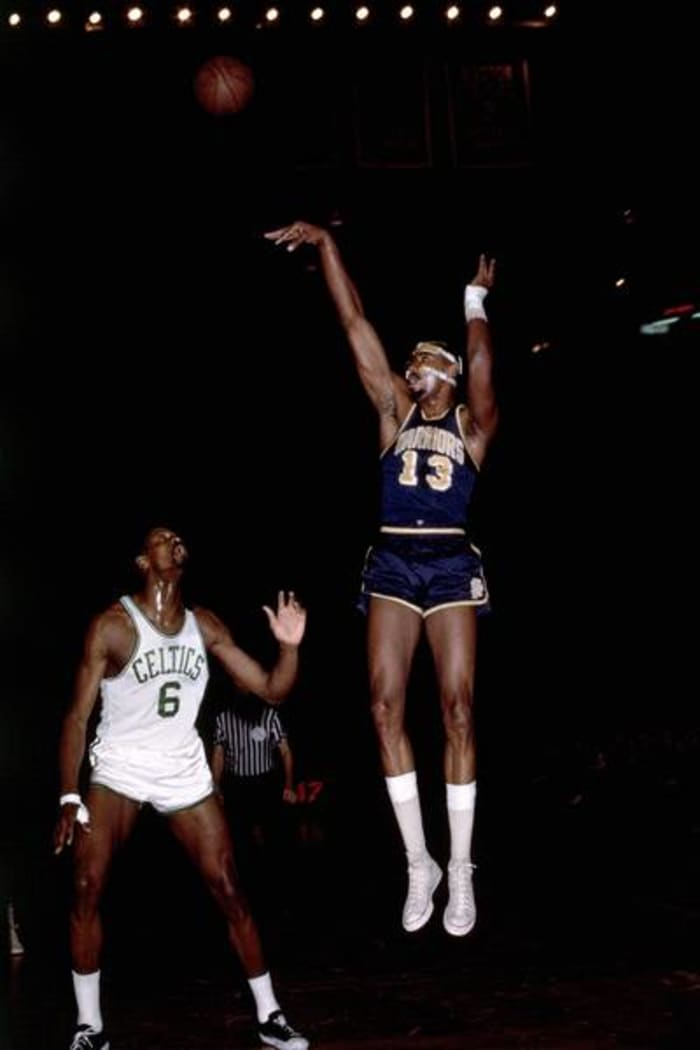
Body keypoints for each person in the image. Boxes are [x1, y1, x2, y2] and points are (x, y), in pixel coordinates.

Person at [264, 221, 497, 937]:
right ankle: (417, 861)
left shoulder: (474, 425)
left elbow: (486, 365)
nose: (412, 367)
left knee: (457, 710)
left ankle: (460, 868)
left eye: (426, 362)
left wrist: (474, 303)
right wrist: (329, 246)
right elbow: (354, 320)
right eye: (411, 363)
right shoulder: (392, 414)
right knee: (382, 707)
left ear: (448, 374)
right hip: (394, 560)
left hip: (452, 561)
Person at [53, 526, 310, 1050]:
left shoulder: (205, 626)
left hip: (182, 768)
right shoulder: (112, 626)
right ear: (142, 561)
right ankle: (89, 1026)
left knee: (230, 887)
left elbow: (270, 690)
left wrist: (289, 649)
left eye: (178, 537)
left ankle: (270, 1015)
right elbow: (78, 718)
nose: (174, 541)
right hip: (120, 767)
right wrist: (68, 794)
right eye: (161, 537)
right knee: (85, 885)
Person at [211, 692, 298, 911]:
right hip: (237, 785)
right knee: (240, 840)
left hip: (265, 783)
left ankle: (278, 891)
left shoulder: (270, 717)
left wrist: (288, 785)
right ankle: (247, 893)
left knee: (273, 837)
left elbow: (286, 752)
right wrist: (215, 787)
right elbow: (218, 754)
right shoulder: (224, 718)